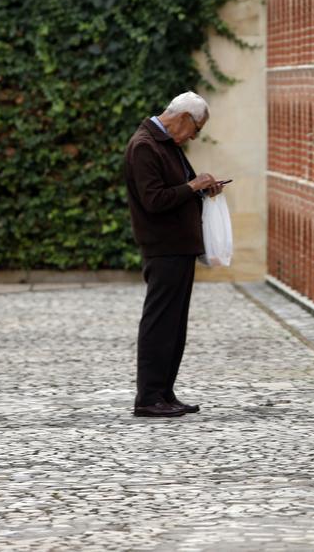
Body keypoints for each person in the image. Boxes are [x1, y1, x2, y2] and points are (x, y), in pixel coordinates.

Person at [123, 91, 225, 418]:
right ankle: (148, 397)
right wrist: (194, 186)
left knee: (175, 325)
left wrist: (201, 188)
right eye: (196, 129)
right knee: (160, 323)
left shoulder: (166, 145)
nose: (195, 136)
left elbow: (177, 191)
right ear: (182, 118)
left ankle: (164, 392)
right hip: (162, 248)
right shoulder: (145, 146)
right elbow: (154, 200)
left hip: (179, 248)